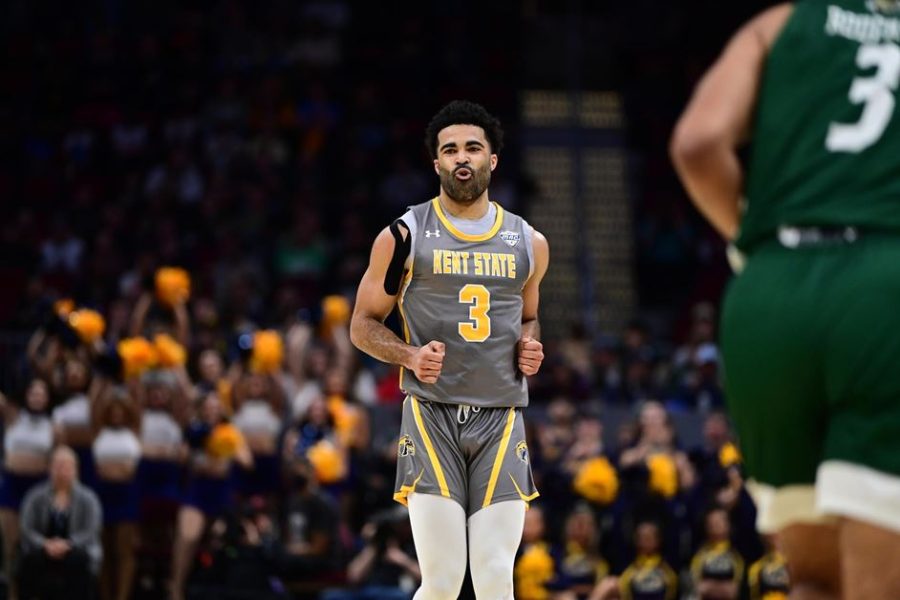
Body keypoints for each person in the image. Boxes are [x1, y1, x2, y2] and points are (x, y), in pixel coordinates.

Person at [671, 1, 900, 597]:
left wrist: (755, 239)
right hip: (885, 285)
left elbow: (697, 144)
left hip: (769, 291)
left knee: (813, 581)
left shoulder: (777, 24)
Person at [350, 100, 549, 599]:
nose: (462, 158)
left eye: (473, 148)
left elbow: (529, 317)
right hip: (431, 414)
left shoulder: (528, 241)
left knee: (495, 579)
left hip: (501, 415)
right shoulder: (405, 234)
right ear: (436, 163)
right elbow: (361, 325)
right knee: (440, 583)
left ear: (493, 160)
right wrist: (409, 356)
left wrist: (531, 343)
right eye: (450, 149)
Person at [18, 446, 102, 600]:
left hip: (75, 548)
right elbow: (26, 528)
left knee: (79, 561)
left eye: (67, 466)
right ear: (49, 468)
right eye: (57, 466)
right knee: (30, 559)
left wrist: (68, 544)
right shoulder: (35, 496)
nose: (62, 471)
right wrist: (45, 544)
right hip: (43, 548)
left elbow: (92, 530)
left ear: (76, 470)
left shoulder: (89, 498)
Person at [0, 379, 56, 599]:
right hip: (12, 485)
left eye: (42, 393)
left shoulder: (54, 425)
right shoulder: (14, 417)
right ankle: (13, 595)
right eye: (33, 392)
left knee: (36, 545)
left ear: (48, 398)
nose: (37, 397)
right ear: (26, 395)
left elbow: (58, 459)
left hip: (38, 488)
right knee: (11, 545)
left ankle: (36, 593)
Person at [91, 386, 142, 600]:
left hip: (126, 495)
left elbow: (136, 405)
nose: (117, 414)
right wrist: (106, 385)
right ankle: (104, 595)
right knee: (103, 551)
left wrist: (124, 386)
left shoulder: (135, 431)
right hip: (103, 494)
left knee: (124, 551)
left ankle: (122, 596)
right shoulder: (98, 430)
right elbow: (94, 405)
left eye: (121, 410)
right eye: (113, 410)